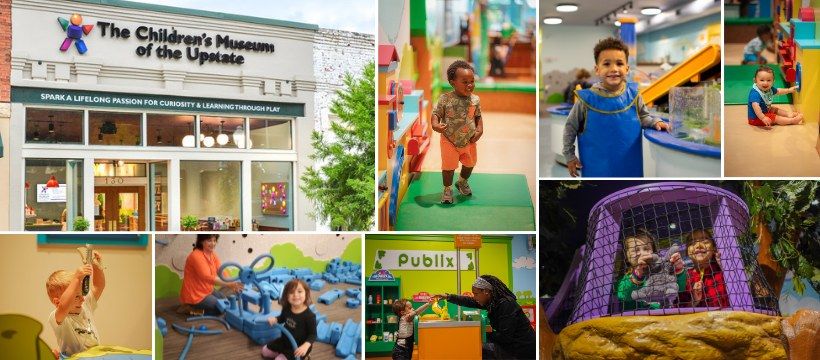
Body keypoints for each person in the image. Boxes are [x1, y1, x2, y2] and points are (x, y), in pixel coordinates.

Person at [563, 37, 669, 177]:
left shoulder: (634, 95)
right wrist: (569, 155)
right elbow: (570, 127)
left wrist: (655, 121)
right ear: (597, 69)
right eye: (606, 64)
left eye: (619, 63)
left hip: (630, 166)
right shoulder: (585, 100)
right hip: (596, 168)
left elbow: (643, 117)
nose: (614, 69)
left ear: (627, 68)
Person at [436, 275, 535, 359]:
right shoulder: (492, 302)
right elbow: (470, 301)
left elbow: (505, 337)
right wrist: (448, 297)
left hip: (522, 350)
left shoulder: (506, 305)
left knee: (480, 350)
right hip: (512, 348)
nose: (474, 297)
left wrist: (481, 334)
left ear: (486, 292)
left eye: (476, 294)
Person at [431, 60, 483, 204]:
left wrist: (480, 129)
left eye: (472, 81)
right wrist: (435, 124)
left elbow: (478, 116)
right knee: (448, 167)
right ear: (452, 82)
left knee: (470, 164)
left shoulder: (475, 100)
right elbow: (436, 114)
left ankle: (461, 181)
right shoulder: (445, 99)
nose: (470, 85)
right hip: (449, 140)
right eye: (465, 81)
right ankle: (447, 189)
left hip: (469, 140)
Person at [46, 250, 105, 356]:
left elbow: (98, 286)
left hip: (95, 356)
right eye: (76, 296)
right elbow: (64, 306)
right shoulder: (58, 317)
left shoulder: (85, 304)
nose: (82, 299)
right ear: (57, 301)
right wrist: (77, 278)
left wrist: (96, 266)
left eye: (82, 294)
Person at [615, 230, 685, 311]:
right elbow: (623, 295)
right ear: (626, 257)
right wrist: (638, 275)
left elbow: (680, 288)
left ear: (653, 252)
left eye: (646, 248)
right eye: (635, 250)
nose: (642, 253)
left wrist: (678, 270)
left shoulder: (662, 270)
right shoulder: (624, 279)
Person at [179, 234, 243, 315]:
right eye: (209, 240)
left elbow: (221, 271)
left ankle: (199, 306)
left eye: (214, 240)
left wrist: (232, 283)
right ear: (202, 241)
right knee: (220, 309)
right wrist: (229, 284)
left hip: (207, 290)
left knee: (225, 302)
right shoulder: (196, 256)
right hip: (195, 295)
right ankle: (190, 309)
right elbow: (208, 278)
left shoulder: (212, 254)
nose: (213, 243)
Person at [263, 279, 317, 360]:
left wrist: (305, 346)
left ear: (306, 293)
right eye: (291, 292)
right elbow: (282, 318)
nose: (295, 295)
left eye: (299, 291)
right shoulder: (287, 308)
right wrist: (275, 319)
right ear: (286, 296)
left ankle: (304, 355)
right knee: (265, 351)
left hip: (298, 346)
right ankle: (282, 354)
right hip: (285, 341)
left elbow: (313, 335)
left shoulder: (309, 316)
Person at [678, 229, 730, 308]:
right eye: (692, 243)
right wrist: (694, 300)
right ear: (687, 252)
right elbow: (680, 308)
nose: (698, 245)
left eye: (705, 241)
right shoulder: (685, 277)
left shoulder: (722, 267)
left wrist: (723, 268)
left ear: (714, 248)